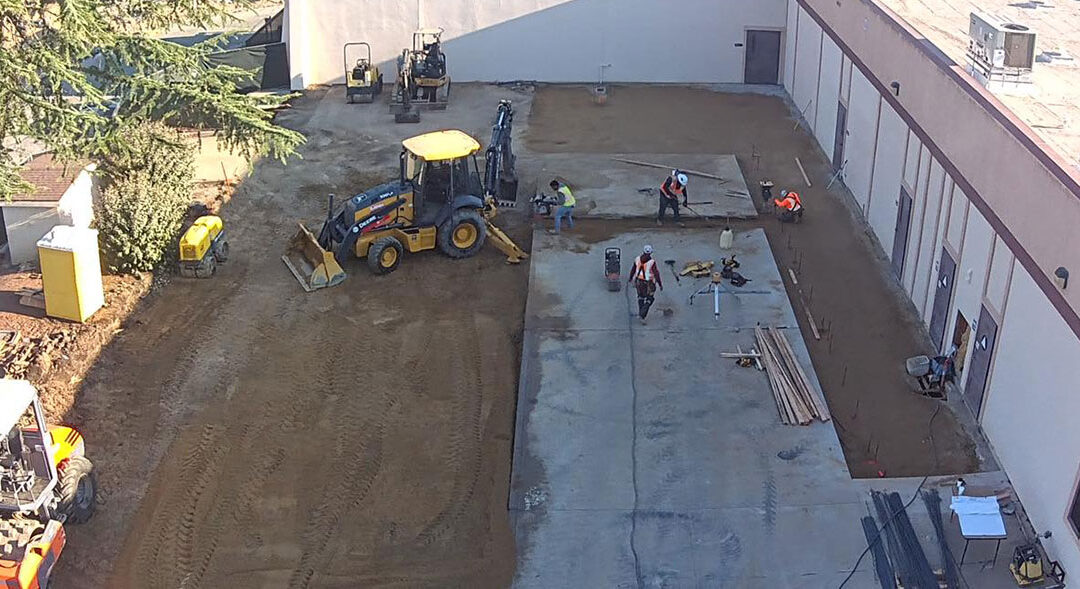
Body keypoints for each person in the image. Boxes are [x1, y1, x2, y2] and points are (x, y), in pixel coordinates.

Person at [628, 245, 663, 324]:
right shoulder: (652, 262)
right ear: (651, 253)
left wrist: (630, 278)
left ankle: (641, 313)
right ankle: (642, 315)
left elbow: (633, 269)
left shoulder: (637, 259)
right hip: (649, 283)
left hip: (638, 282)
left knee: (640, 298)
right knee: (650, 299)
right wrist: (660, 284)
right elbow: (656, 273)